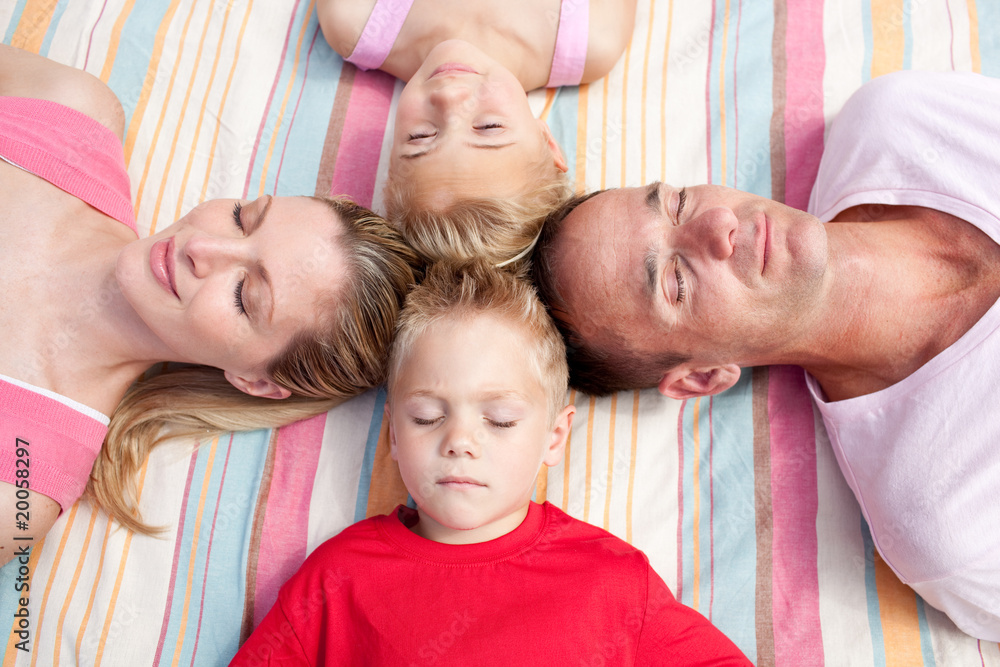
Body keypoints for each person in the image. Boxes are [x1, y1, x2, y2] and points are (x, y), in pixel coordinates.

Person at [530, 70, 1000, 641]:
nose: (719, 224)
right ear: (702, 375)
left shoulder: (902, 122)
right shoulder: (950, 521)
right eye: (675, 281)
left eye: (677, 202)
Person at [0, 45, 422, 565]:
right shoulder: (68, 112)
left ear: (256, 380)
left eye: (246, 297)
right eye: (244, 219)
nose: (201, 248)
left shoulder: (19, 481)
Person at [230, 262, 752, 665]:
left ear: (555, 435)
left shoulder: (611, 580)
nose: (459, 441)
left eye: (499, 420)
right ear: (392, 431)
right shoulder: (336, 578)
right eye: (427, 416)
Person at [315, 0, 637, 266]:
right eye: (488, 127)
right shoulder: (592, 34)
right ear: (547, 142)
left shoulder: (356, 19)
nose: (450, 98)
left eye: (421, 136)